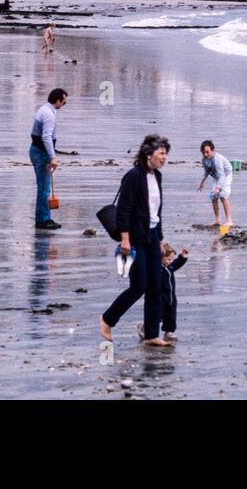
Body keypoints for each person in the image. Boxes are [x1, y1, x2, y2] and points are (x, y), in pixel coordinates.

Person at [101, 134, 173, 347]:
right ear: (148, 154)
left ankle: (151, 334)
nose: (164, 157)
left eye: (166, 154)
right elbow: (124, 209)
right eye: (161, 153)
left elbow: (156, 211)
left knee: (155, 286)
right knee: (138, 286)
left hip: (151, 236)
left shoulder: (157, 176)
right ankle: (107, 320)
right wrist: (125, 238)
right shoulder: (133, 176)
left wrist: (160, 239)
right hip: (134, 238)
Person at [30, 88, 67, 230]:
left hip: (35, 150)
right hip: (41, 153)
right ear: (57, 100)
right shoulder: (49, 115)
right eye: (64, 102)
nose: (63, 105)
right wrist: (53, 157)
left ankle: (44, 218)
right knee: (44, 189)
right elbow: (46, 137)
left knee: (42, 187)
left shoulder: (43, 109)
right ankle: (43, 220)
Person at [139, 244, 189, 342]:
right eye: (168, 259)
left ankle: (169, 332)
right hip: (159, 297)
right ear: (161, 258)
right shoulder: (156, 269)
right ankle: (144, 327)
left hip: (171, 297)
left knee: (171, 315)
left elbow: (177, 263)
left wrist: (182, 257)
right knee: (157, 315)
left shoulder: (170, 267)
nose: (171, 262)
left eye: (171, 259)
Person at [197, 140, 234, 234]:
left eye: (207, 152)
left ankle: (229, 221)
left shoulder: (217, 159)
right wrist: (202, 182)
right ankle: (217, 220)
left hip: (226, 175)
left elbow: (222, 175)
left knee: (222, 196)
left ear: (213, 150)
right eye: (203, 152)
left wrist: (218, 188)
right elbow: (207, 171)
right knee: (213, 196)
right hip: (217, 176)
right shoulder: (204, 159)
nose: (205, 154)